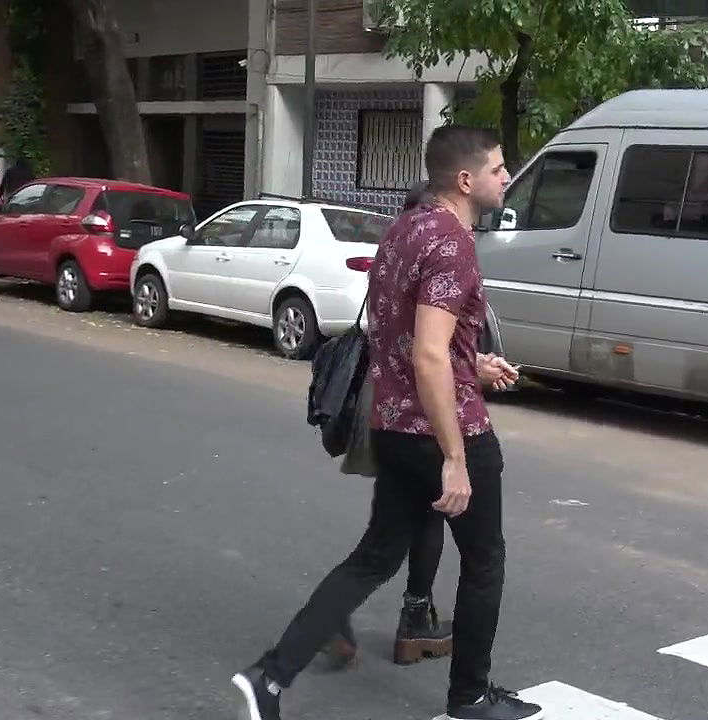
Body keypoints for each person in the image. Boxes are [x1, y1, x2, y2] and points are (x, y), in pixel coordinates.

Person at [233, 126, 542, 720]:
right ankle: (470, 698)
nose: (507, 176)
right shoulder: (451, 242)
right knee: (485, 562)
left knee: (373, 559)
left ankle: (269, 678)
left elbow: (403, 336)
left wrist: (471, 361)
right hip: (445, 433)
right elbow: (426, 353)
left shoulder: (402, 229)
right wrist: (455, 456)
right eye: (499, 167)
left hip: (392, 427)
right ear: (465, 179)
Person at [317, 179, 451, 672]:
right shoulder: (432, 260)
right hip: (417, 409)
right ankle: (410, 621)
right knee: (415, 520)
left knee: (398, 521)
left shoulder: (391, 256)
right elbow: (431, 350)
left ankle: (376, 617)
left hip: (384, 399)